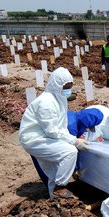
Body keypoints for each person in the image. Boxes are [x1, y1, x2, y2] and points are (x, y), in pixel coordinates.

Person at [19, 67, 89, 199]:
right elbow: (52, 130)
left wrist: (70, 138)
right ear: (57, 85)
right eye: (66, 87)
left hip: (44, 136)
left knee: (54, 170)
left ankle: (54, 199)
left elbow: (60, 126)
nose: (68, 89)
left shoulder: (59, 98)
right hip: (34, 139)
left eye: (70, 86)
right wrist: (74, 141)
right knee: (69, 152)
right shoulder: (47, 103)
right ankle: (60, 187)